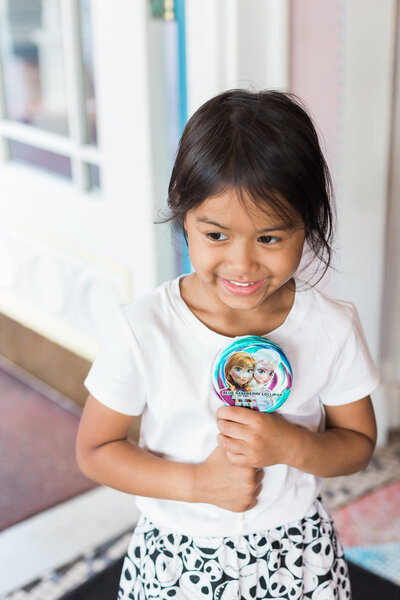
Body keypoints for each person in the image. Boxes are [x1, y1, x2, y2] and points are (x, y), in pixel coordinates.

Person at [76, 89, 379, 600]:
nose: (242, 266)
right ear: (183, 218)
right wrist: (198, 485)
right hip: (178, 555)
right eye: (216, 236)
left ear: (308, 225)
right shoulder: (145, 328)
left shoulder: (330, 327)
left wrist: (292, 445)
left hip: (294, 553)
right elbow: (96, 450)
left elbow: (358, 446)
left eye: (269, 239)